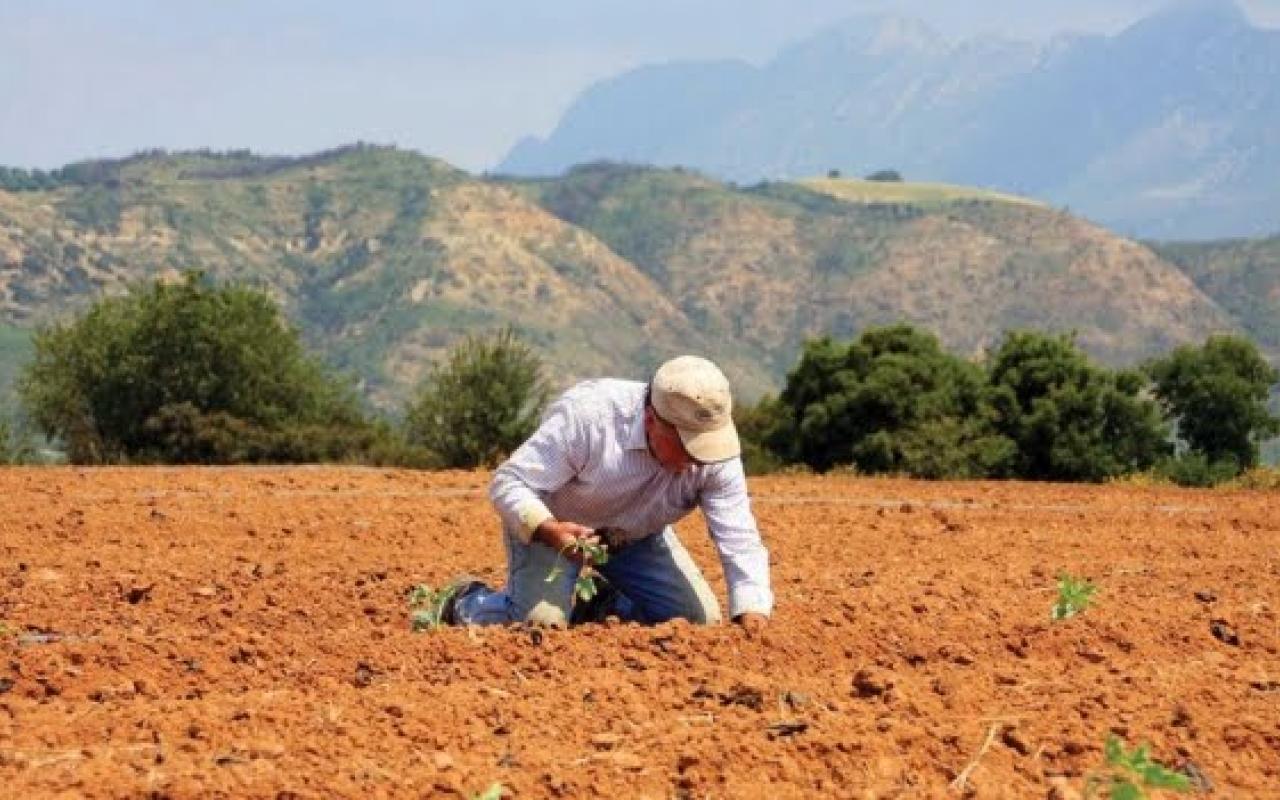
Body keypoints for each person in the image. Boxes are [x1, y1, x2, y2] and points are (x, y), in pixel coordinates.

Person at [421, 355, 773, 630]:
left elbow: (739, 537)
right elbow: (509, 482)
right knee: (537, 626)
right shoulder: (589, 418)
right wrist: (547, 529)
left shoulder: (715, 454)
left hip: (634, 538)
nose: (697, 459)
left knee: (696, 621)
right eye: (687, 445)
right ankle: (465, 602)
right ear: (653, 420)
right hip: (554, 531)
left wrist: (752, 610)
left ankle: (604, 604)